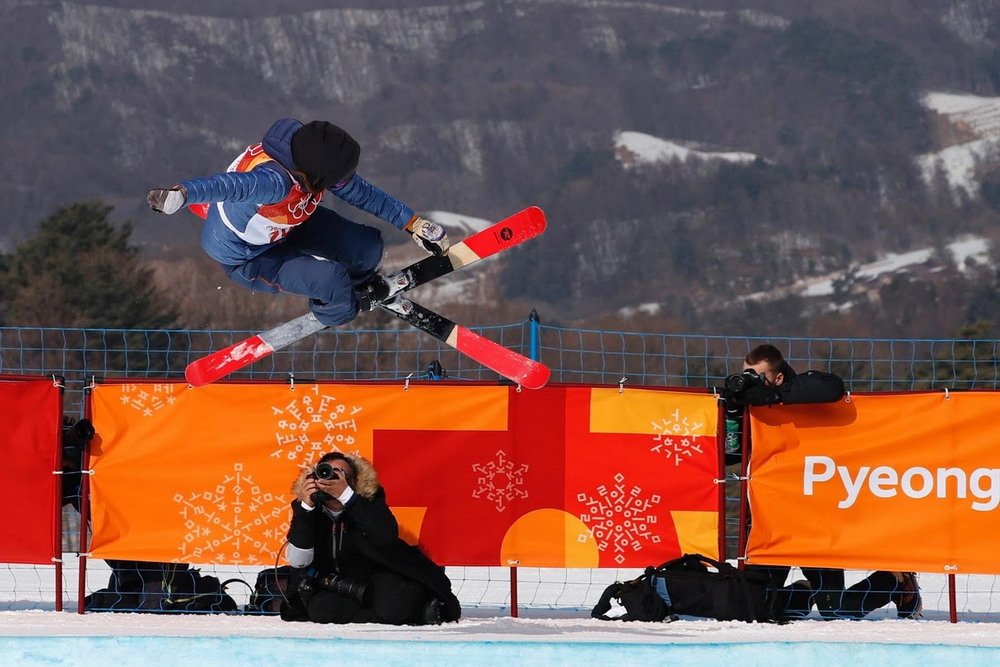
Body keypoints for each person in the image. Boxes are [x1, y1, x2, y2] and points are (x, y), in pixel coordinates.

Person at [146, 118, 450, 325]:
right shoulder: (272, 181)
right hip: (251, 258)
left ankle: (354, 287)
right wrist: (181, 194)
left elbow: (361, 193)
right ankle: (338, 308)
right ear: (315, 175)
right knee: (329, 281)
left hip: (288, 225)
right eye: (336, 180)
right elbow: (226, 186)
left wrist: (412, 223)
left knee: (368, 248)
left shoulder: (308, 155)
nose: (341, 184)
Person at [726, 344, 922, 620]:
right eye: (746, 375)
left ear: (778, 377)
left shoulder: (797, 389)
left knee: (836, 611)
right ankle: (802, 592)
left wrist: (773, 396)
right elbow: (728, 457)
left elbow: (832, 387)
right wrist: (733, 415)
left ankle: (893, 581)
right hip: (769, 518)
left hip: (813, 516)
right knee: (754, 610)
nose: (750, 383)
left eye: (758, 377)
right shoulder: (751, 408)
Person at [279, 451, 461, 625]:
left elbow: (386, 537)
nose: (330, 480)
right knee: (321, 611)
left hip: (379, 575)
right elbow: (299, 561)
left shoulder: (368, 501)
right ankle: (395, 614)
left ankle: (416, 607)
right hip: (337, 582)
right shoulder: (307, 510)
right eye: (325, 473)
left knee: (394, 607)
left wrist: (348, 498)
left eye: (338, 474)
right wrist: (306, 509)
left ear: (353, 481)